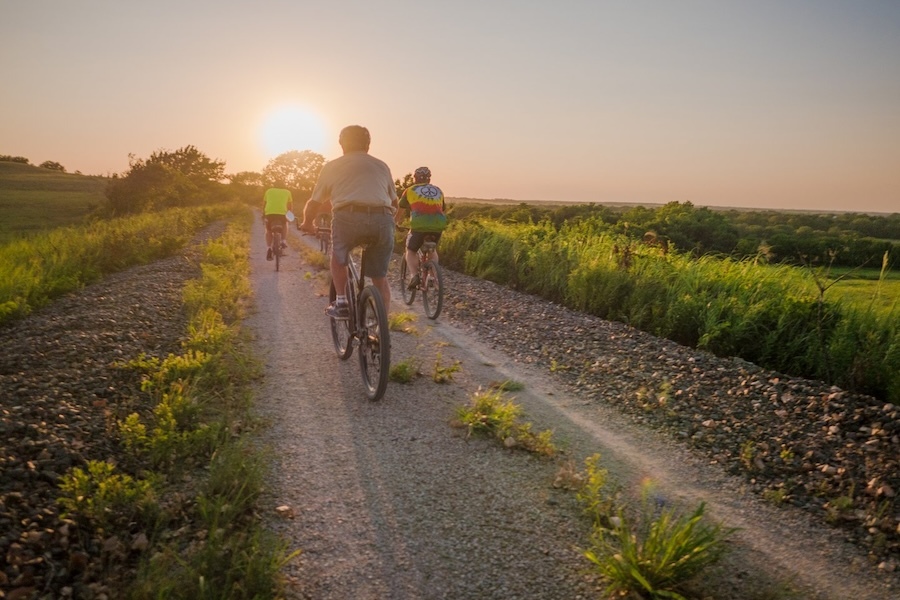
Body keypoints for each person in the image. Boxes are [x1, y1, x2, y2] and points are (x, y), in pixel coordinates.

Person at [300, 125, 398, 317]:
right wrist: (384, 223)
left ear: (342, 144)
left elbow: (314, 203)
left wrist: (307, 223)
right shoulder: (381, 165)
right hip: (383, 218)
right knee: (380, 278)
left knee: (338, 257)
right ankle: (381, 329)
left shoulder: (333, 166)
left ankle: (342, 302)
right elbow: (394, 202)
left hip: (348, 217)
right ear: (368, 145)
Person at [394, 166, 447, 290]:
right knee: (432, 250)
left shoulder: (410, 190)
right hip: (438, 224)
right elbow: (442, 209)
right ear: (429, 179)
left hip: (419, 226)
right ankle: (433, 277)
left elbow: (400, 211)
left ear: (415, 178)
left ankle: (414, 276)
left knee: (411, 250)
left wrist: (395, 223)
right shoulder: (438, 190)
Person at [263, 187, 293, 261]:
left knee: (268, 230)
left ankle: (269, 248)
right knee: (285, 223)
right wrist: (289, 214)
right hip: (282, 214)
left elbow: (264, 204)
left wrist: (264, 214)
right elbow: (290, 207)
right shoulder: (287, 192)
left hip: (269, 214)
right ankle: (283, 241)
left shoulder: (268, 190)